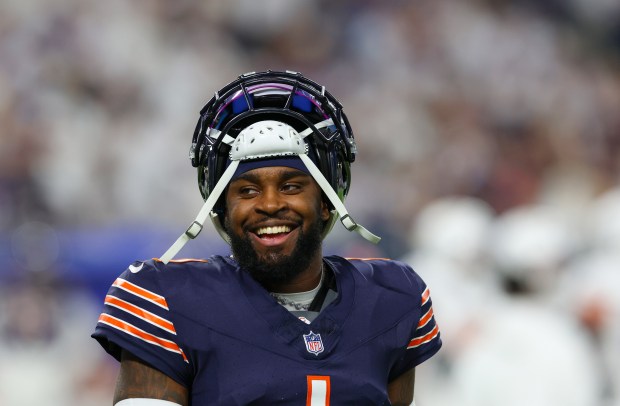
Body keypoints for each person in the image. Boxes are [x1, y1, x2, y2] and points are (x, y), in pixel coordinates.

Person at [92, 70, 442, 405]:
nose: (270, 204)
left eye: (290, 186)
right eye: (247, 190)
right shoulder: (165, 298)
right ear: (221, 209)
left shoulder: (393, 298)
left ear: (325, 201)